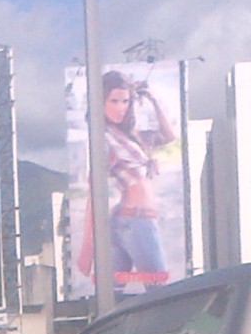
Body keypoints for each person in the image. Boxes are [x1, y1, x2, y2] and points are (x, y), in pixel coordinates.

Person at [76, 70, 177, 287]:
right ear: (100, 101)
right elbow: (96, 184)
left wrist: (153, 99)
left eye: (125, 101)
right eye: (114, 101)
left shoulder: (131, 136)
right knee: (159, 290)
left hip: (125, 221)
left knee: (112, 295)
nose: (120, 108)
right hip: (136, 221)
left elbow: (169, 136)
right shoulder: (103, 138)